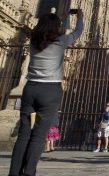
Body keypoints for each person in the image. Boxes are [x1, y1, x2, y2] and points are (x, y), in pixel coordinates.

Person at [9, 9, 84, 176]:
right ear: (56, 27)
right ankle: (28, 173)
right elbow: (78, 31)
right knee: (38, 136)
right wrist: (80, 17)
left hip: (30, 89)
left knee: (23, 135)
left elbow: (42, 28)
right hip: (50, 91)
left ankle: (14, 173)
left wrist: (58, 16)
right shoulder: (60, 42)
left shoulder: (33, 41)